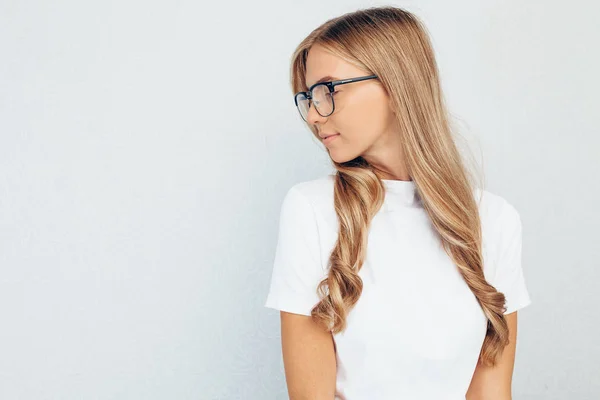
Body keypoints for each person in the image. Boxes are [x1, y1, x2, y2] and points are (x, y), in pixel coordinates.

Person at [264, 6, 532, 400]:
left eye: (328, 90)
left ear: (395, 83)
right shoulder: (312, 210)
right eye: (307, 97)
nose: (314, 116)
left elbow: (491, 391)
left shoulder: (494, 220)